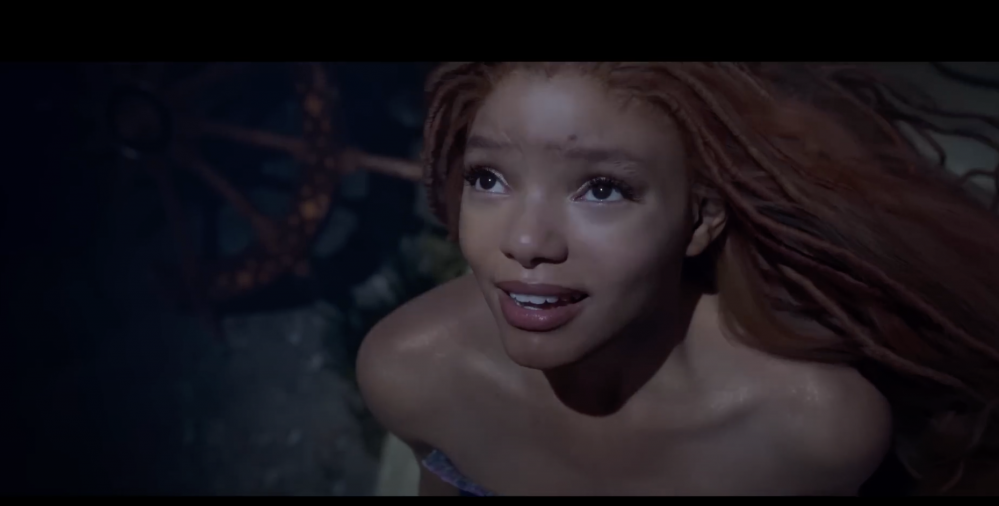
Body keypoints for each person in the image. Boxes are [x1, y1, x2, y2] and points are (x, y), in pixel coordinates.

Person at [356, 62, 999, 496]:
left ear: (701, 217)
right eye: (488, 178)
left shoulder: (811, 427)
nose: (525, 241)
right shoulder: (410, 373)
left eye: (601, 188)